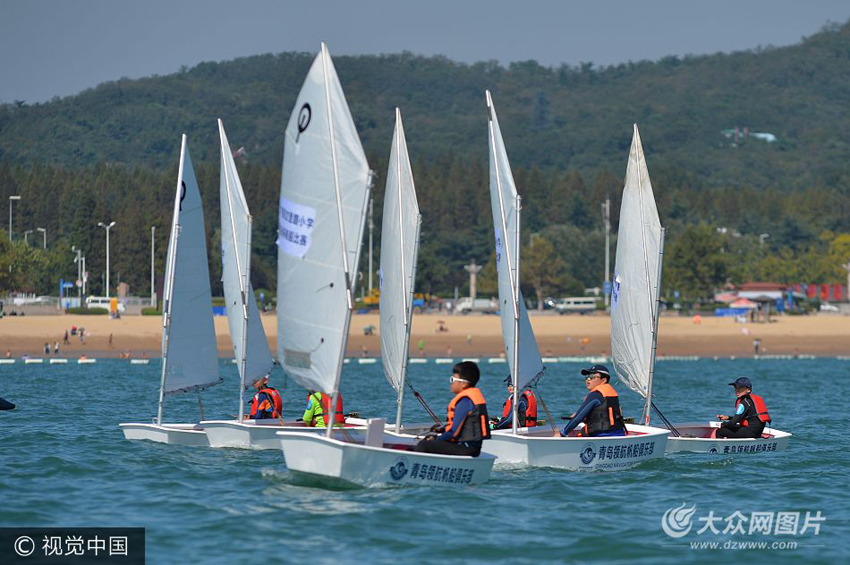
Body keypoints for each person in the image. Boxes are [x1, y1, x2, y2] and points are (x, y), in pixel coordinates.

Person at [415, 361, 490, 456]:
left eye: (453, 379)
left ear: (463, 384)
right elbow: (461, 427)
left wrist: (436, 439)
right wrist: (442, 429)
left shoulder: (465, 402)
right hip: (467, 446)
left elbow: (453, 433)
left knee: (424, 445)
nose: (451, 383)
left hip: (466, 447)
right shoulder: (469, 399)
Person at [560, 364, 626, 437]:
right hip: (619, 434)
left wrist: (562, 433)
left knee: (571, 433)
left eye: (592, 377)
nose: (588, 379)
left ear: (603, 380)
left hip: (601, 436)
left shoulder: (595, 395)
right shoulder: (611, 394)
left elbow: (577, 418)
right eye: (587, 376)